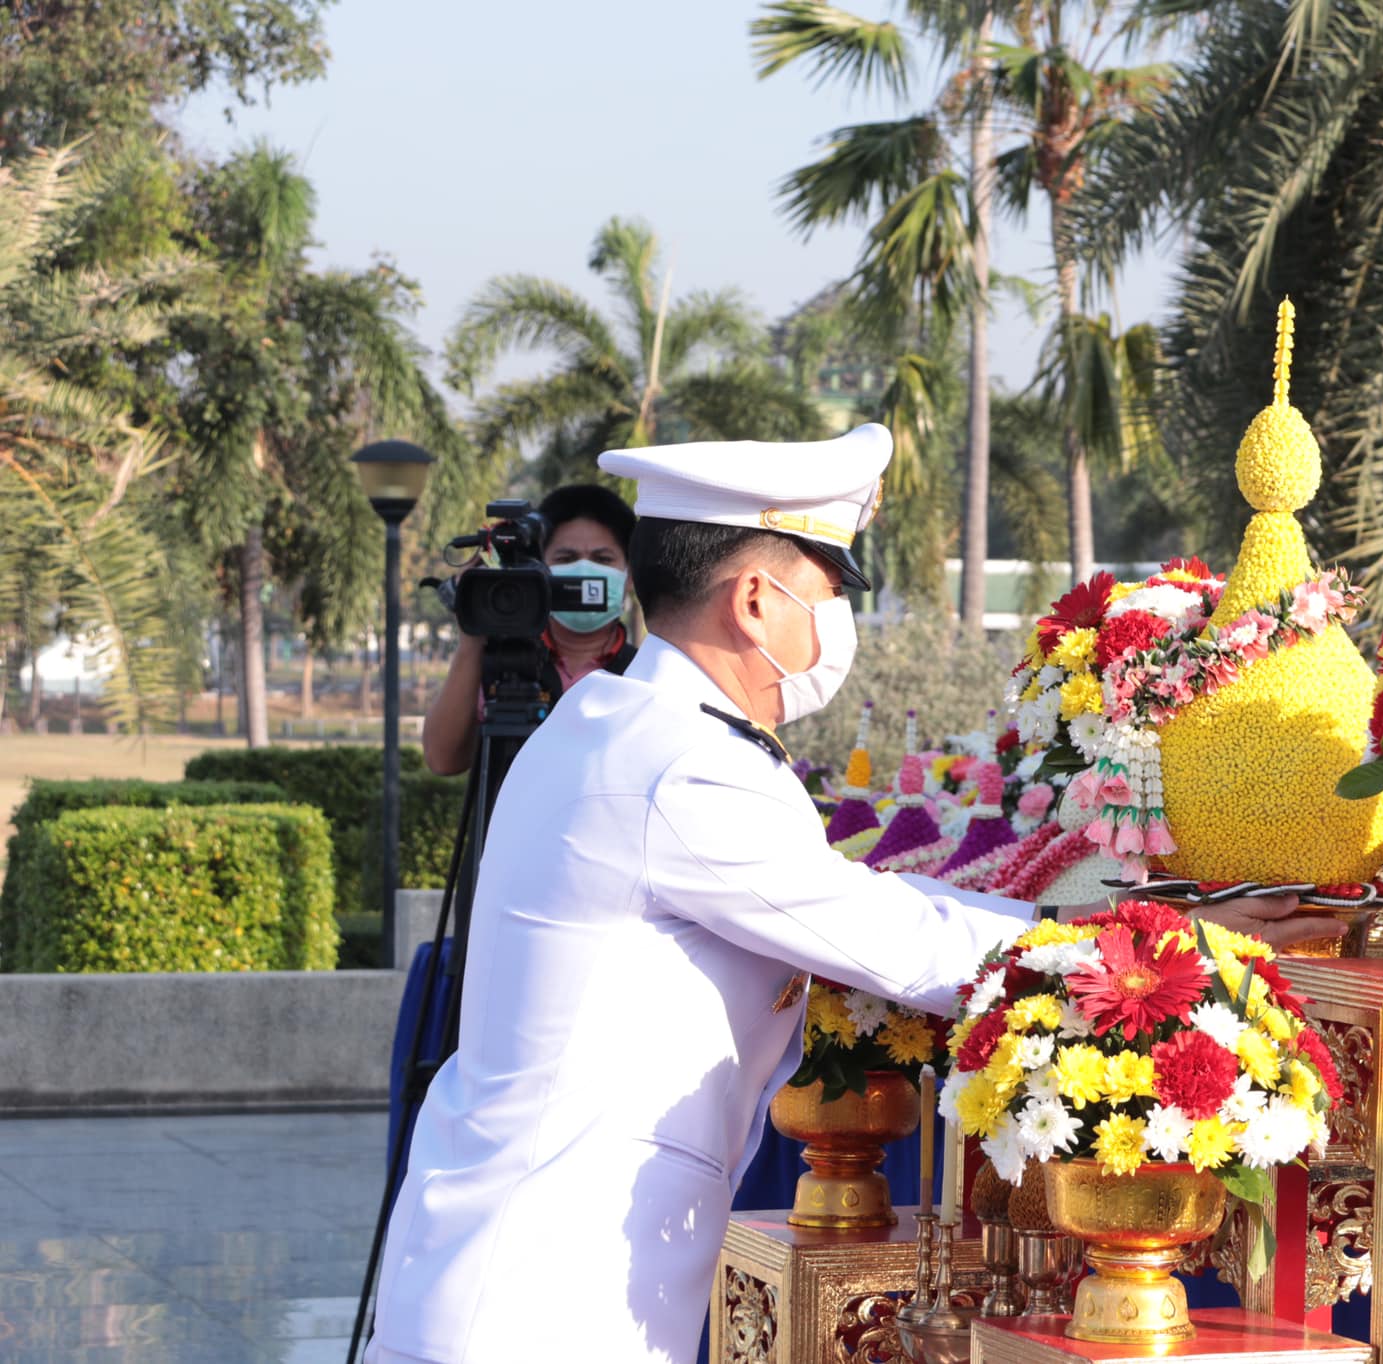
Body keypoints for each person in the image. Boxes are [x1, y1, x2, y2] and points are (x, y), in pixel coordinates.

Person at [365, 423, 1322, 1364]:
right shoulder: (679, 765)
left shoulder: (615, 717)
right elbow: (895, 937)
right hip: (540, 1301)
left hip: (522, 1269)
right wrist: (1145, 937)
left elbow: (852, 898)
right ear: (753, 599)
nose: (833, 620)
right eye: (825, 588)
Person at [420, 483, 639, 777]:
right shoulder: (502, 663)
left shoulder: (644, 671)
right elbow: (443, 760)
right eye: (566, 559)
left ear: (630, 576)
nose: (583, 571)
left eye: (603, 559)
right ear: (538, 570)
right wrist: (472, 639)